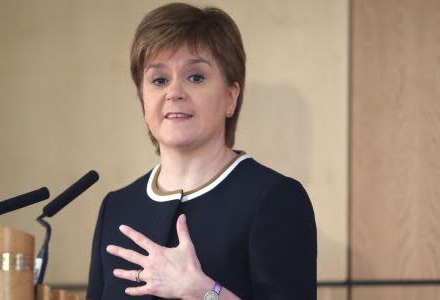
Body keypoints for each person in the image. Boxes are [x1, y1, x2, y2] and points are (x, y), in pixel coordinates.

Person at [87, 3, 316, 300]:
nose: (174, 92)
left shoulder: (273, 199)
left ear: (230, 97)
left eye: (195, 77)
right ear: (143, 100)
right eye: (159, 80)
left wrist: (203, 291)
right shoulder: (117, 208)